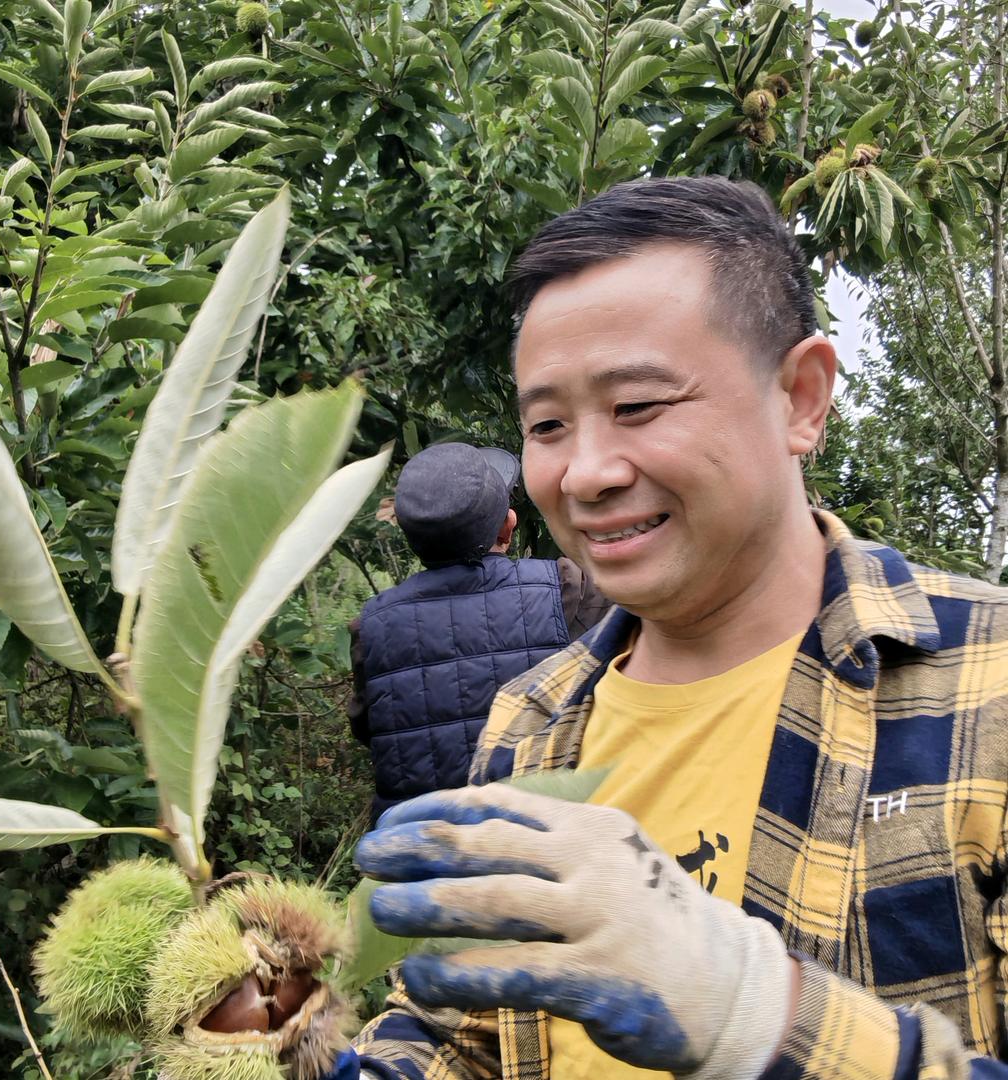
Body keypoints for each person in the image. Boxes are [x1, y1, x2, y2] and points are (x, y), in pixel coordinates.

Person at [325, 175, 1008, 1079]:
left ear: (801, 397)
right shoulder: (528, 723)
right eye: (547, 424)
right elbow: (464, 1026)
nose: (587, 473)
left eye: (639, 406)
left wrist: (754, 1016)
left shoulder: (984, 691)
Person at [349, 441, 610, 821]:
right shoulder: (567, 588)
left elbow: (368, 729)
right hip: (541, 840)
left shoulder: (371, 625)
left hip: (416, 854)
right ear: (508, 527)